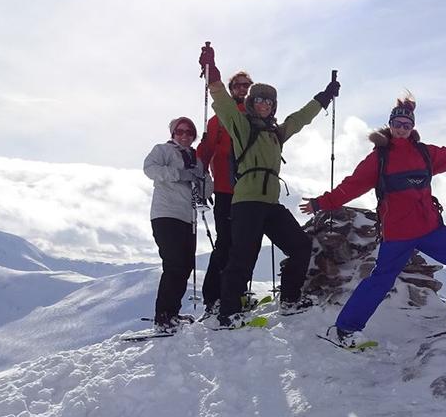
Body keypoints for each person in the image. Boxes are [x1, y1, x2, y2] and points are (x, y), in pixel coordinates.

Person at [301, 96, 446, 347]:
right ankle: (344, 329)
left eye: (406, 124)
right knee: (381, 280)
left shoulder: (425, 153)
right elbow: (351, 186)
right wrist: (321, 203)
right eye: (397, 124)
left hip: (430, 228)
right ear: (390, 125)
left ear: (412, 127)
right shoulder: (378, 159)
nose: (401, 129)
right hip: (398, 233)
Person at [197, 43, 340, 327]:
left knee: (300, 246)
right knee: (242, 257)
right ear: (252, 103)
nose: (264, 105)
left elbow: (299, 119)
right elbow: (224, 102)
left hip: (270, 204)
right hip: (247, 203)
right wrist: (211, 71)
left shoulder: (275, 132)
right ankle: (227, 313)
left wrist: (324, 97)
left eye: (269, 102)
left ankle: (289, 300)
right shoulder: (241, 125)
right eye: (260, 100)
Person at [142, 116, 214, 332]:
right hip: (166, 214)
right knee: (174, 263)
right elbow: (150, 169)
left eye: (189, 132)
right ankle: (163, 317)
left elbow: (207, 188)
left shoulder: (196, 158)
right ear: (172, 133)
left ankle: (171, 313)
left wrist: (201, 181)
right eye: (180, 131)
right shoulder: (163, 150)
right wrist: (179, 174)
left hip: (188, 218)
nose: (184, 135)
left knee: (184, 265)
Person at [194, 69, 254, 317]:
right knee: (227, 243)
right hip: (226, 190)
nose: (243, 88)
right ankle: (215, 297)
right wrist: (200, 179)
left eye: (246, 85)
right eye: (239, 85)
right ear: (231, 89)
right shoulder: (219, 118)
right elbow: (205, 150)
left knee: (241, 244)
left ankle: (232, 294)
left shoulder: (253, 114)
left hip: (247, 191)